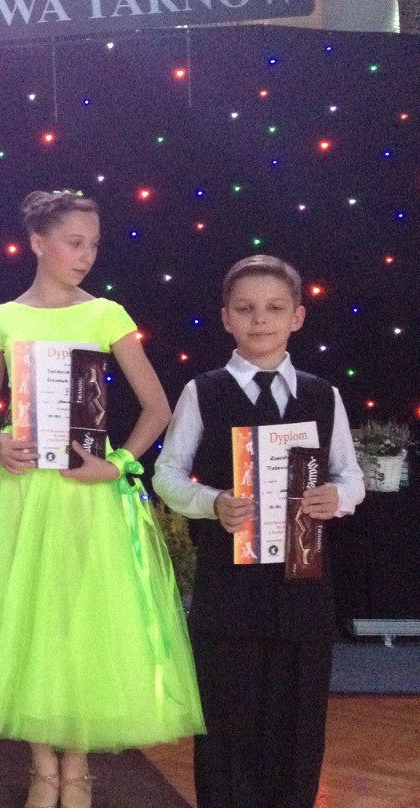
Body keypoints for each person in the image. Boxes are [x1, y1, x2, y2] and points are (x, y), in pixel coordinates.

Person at [0, 190, 203, 808]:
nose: (86, 256)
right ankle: (42, 766)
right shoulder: (2, 318)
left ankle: (78, 766)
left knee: (82, 616)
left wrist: (116, 466)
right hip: (22, 492)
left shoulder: (106, 315)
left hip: (84, 493)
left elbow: (157, 407)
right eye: (73, 243)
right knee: (25, 617)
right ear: (38, 243)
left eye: (93, 245)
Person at [152, 254, 364, 808]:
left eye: (274, 308)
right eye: (245, 309)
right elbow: (166, 474)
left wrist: (337, 497)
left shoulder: (322, 394)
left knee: (298, 723)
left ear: (297, 316)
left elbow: (352, 476)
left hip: (303, 588)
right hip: (229, 588)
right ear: (226, 318)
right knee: (227, 718)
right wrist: (212, 502)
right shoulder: (203, 390)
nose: (260, 319)